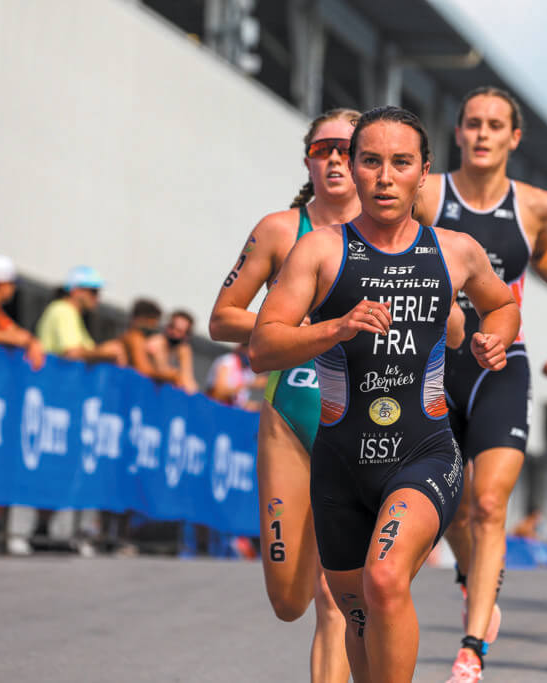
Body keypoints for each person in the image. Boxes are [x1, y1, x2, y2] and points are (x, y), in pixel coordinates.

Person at [248, 105, 520, 683]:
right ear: (353, 165)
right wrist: (336, 328)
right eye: (370, 161)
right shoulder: (320, 250)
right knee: (356, 615)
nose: (384, 176)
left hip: (424, 454)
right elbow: (264, 346)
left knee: (386, 579)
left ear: (423, 172)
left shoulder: (454, 251)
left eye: (401, 163)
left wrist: (494, 339)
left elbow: (502, 303)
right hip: (341, 463)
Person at [412, 86, 547, 679]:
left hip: (502, 362)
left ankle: (471, 650)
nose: (483, 134)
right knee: (454, 510)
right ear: (457, 133)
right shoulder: (428, 194)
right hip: (433, 363)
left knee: (489, 503)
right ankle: (469, 579)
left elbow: (541, 251)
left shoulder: (537, 204)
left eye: (495, 125)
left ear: (514, 138)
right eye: (473, 124)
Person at [209, 108, 361, 683]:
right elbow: (221, 319)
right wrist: (304, 329)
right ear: (308, 159)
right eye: (324, 148)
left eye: (349, 149)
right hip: (290, 421)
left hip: (365, 426)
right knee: (289, 599)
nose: (336, 159)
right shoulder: (279, 229)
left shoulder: (397, 238)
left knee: (336, 593)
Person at [6, 266, 123, 557]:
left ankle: (56, 532)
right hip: (47, 403)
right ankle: (19, 532)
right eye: (93, 291)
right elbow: (72, 353)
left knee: (57, 467)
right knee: (33, 462)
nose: (97, 297)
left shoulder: (74, 316)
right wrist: (105, 352)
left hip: (63, 405)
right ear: (76, 290)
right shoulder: (62, 310)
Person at [119, 299, 181, 384]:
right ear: (142, 319)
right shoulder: (135, 337)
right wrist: (170, 376)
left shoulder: (136, 337)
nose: (154, 325)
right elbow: (143, 370)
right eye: (154, 321)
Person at [205, 342, 267, 411]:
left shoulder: (248, 372)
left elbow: (239, 402)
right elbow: (218, 393)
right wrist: (249, 384)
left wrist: (258, 407)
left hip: (230, 412)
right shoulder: (228, 361)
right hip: (214, 409)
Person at [148, 310, 198, 393]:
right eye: (172, 327)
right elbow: (162, 371)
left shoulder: (184, 350)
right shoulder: (155, 343)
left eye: (179, 331)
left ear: (186, 336)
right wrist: (175, 375)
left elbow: (190, 385)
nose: (173, 333)